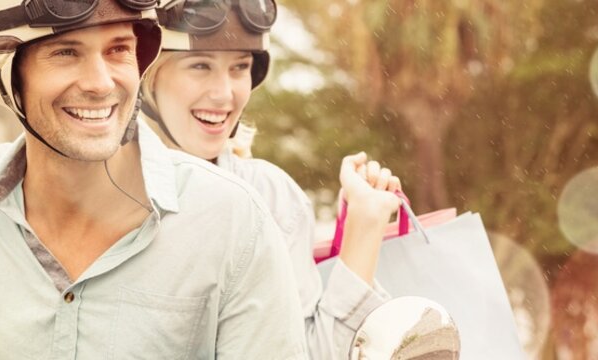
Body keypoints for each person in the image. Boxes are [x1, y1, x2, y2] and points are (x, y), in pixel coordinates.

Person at [0, 0, 310, 358]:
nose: (100, 82)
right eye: (65, 53)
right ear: (6, 75)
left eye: (118, 50)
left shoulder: (234, 222)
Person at [138, 0, 411, 358]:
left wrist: (365, 222)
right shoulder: (101, 189)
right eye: (200, 66)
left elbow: (311, 353)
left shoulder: (272, 197)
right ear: (148, 77)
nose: (224, 93)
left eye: (240, 67)